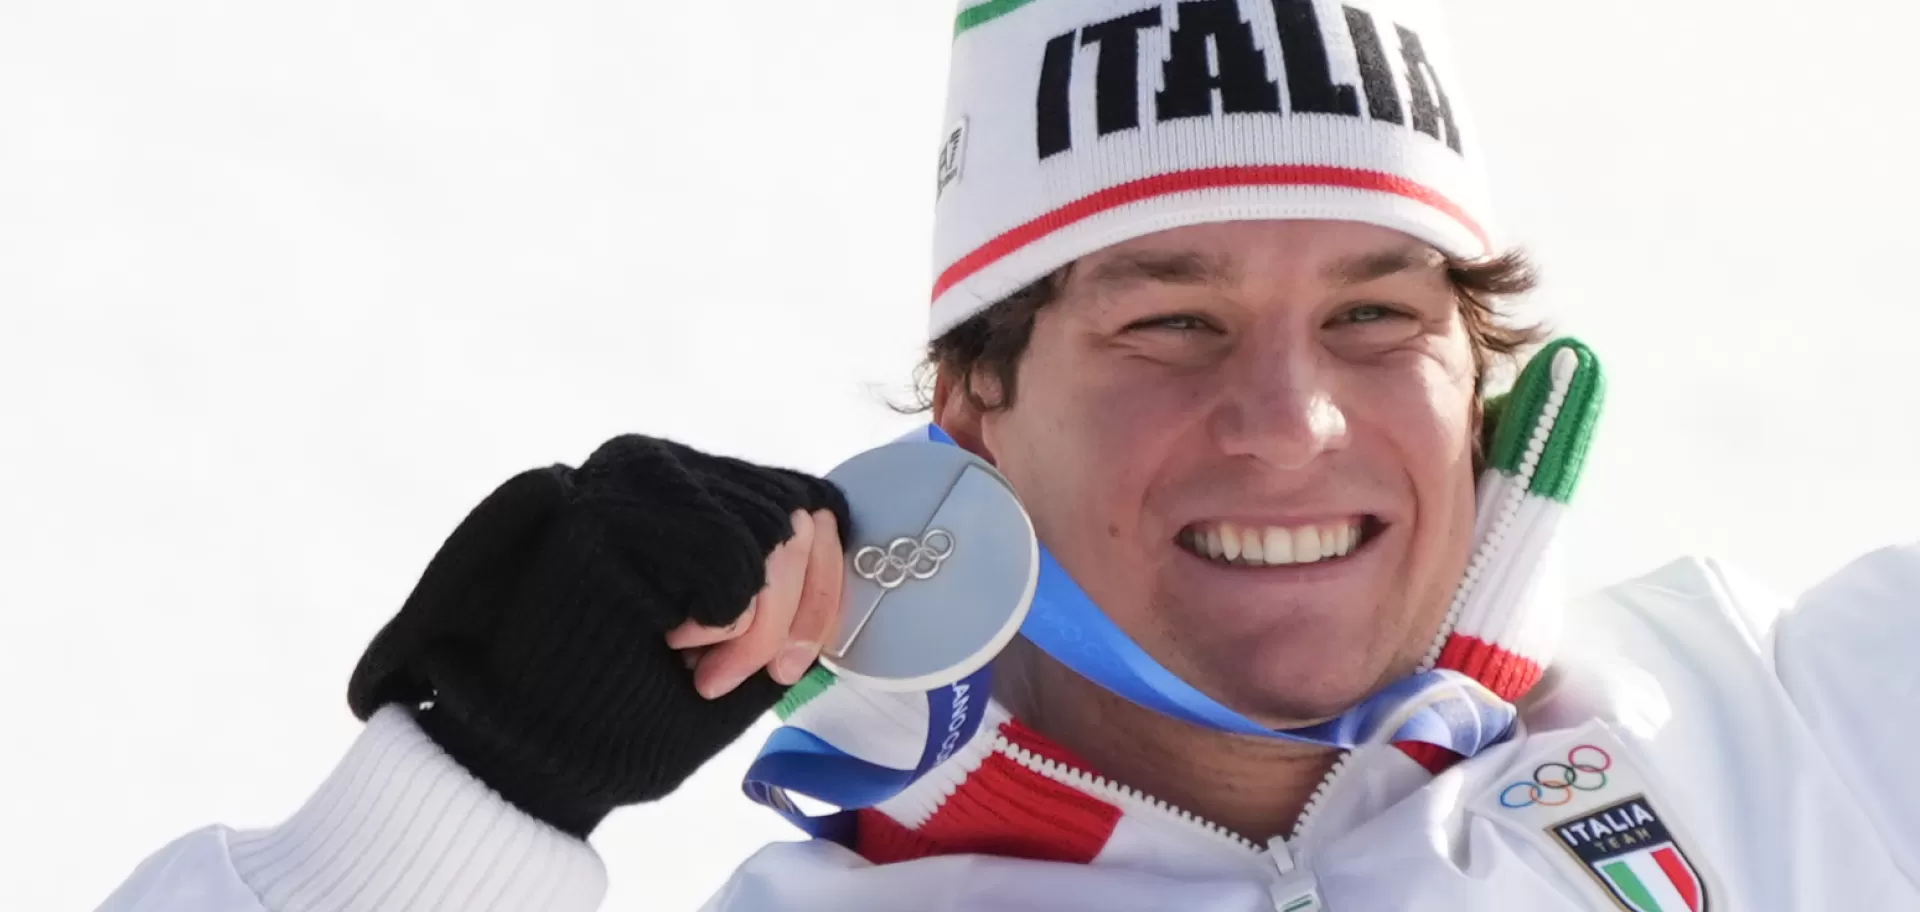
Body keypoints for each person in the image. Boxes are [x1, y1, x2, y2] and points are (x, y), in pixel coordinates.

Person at [97, 1, 1919, 910]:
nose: (1294, 419)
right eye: (1171, 322)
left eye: (1379, 314)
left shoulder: (1797, 728)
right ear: (974, 396)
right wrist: (464, 804)